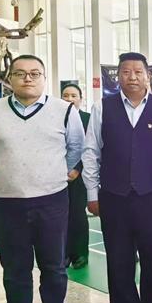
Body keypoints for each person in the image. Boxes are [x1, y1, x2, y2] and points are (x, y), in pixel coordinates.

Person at [0, 55, 84, 303]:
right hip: (7, 203)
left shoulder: (64, 111)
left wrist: (52, 174)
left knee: (54, 268)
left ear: (44, 78)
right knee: (15, 270)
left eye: (35, 73)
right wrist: (8, 174)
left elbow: (75, 149)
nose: (28, 78)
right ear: (10, 79)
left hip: (52, 200)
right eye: (20, 73)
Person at [82, 52, 152, 303]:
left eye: (138, 71)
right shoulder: (103, 108)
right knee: (119, 262)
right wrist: (92, 193)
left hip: (151, 197)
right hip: (114, 197)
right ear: (118, 76)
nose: (133, 77)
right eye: (126, 71)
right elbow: (91, 153)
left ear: (148, 76)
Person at [61, 83, 91, 270]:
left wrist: (77, 169)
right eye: (66, 95)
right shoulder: (56, 117)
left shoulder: (88, 118)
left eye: (74, 95)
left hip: (80, 175)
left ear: (80, 98)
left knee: (77, 215)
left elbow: (90, 148)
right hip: (58, 175)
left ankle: (80, 254)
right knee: (60, 216)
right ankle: (64, 254)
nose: (69, 99)